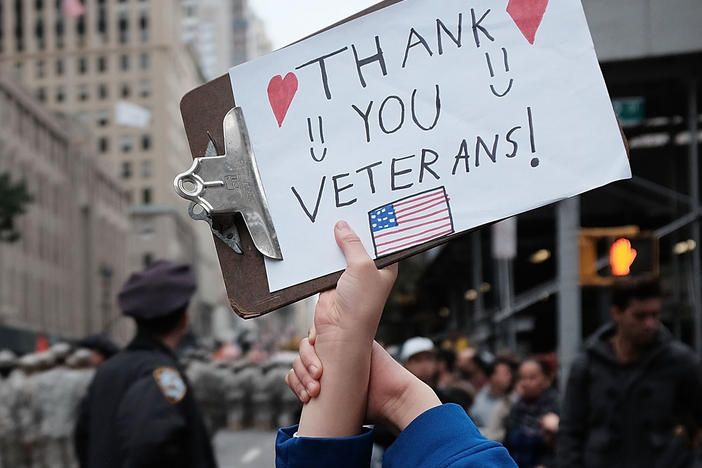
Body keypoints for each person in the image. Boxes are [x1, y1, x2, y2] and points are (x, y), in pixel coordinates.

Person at [277, 221, 517, 468]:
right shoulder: (436, 399)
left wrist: (344, 346)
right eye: (417, 359)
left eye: (428, 358)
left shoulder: (451, 395)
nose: (424, 364)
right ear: (406, 362)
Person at [74, 261, 217, 468]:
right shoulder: (164, 376)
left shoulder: (106, 370)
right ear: (184, 320)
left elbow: (83, 439)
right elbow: (149, 444)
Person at [558, 276, 702, 468]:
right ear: (616, 313)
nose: (650, 324)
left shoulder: (680, 362)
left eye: (655, 315)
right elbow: (570, 432)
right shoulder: (588, 364)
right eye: (640, 316)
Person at [503, 359, 559, 468]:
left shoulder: (555, 407)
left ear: (547, 379)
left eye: (532, 378)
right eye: (522, 378)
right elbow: (507, 443)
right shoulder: (516, 407)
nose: (525, 383)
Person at [470, 356, 515, 437]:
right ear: (493, 376)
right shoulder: (480, 402)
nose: (510, 376)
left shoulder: (514, 397)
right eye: (506, 373)